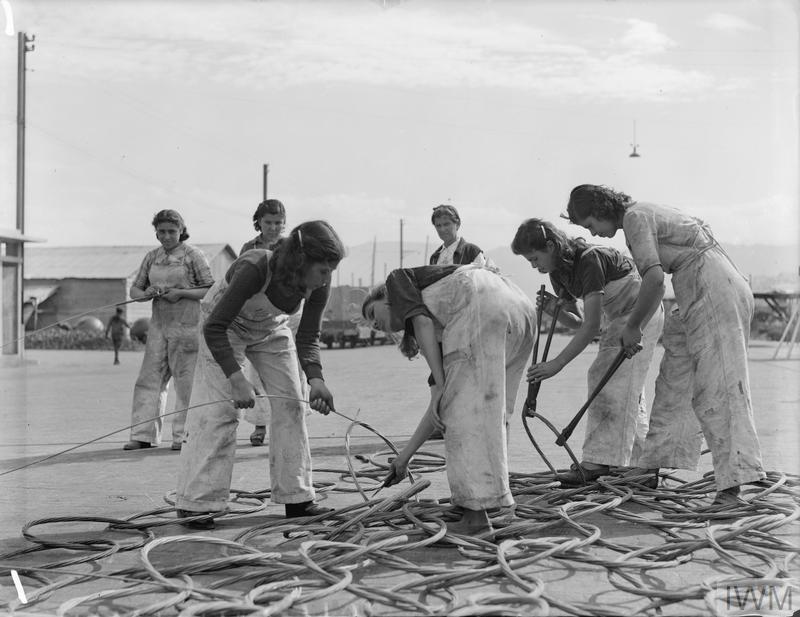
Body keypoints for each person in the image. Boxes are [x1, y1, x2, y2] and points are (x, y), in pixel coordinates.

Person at [565, 184, 765, 506]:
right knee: (674, 381)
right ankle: (649, 468)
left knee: (720, 387)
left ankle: (733, 486)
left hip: (714, 289)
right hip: (692, 287)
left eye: (590, 225)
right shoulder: (642, 212)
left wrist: (633, 326)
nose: (595, 234)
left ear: (600, 211)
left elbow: (654, 280)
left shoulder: (634, 217)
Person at [175, 220, 345, 529]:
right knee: (220, 412)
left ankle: (297, 497)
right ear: (302, 260)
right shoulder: (255, 267)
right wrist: (236, 378)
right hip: (224, 328)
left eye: (331, 270)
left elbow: (307, 337)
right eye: (323, 270)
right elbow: (215, 327)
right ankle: (197, 502)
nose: (327, 278)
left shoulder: (320, 282)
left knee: (293, 404)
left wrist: (316, 379)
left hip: (270, 329)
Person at [362, 263, 535, 535]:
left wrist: (443, 386)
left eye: (372, 312)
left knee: (464, 418)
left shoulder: (396, 281)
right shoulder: (443, 330)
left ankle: (475, 518)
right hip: (519, 309)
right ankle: (493, 503)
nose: (374, 324)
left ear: (386, 297)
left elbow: (421, 321)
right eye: (370, 324)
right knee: (491, 414)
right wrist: (403, 459)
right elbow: (438, 410)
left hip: (479, 300)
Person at [512, 218, 664, 487]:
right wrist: (554, 312)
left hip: (640, 315)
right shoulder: (558, 272)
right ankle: (642, 466)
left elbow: (593, 324)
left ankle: (597, 463)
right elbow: (583, 324)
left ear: (551, 246)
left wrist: (557, 364)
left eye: (535, 258)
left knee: (603, 379)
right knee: (628, 389)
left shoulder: (589, 260)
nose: (535, 267)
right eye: (530, 263)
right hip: (617, 318)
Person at [124, 210, 214, 452]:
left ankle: (183, 436)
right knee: (148, 379)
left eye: (171, 231)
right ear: (156, 232)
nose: (166, 236)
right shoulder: (152, 257)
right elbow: (134, 291)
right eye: (161, 231)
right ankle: (143, 435)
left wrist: (181, 293)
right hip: (158, 327)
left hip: (187, 327)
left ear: (181, 231)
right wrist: (146, 294)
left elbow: (207, 289)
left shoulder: (194, 255)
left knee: (185, 382)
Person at [239, 199, 290, 447]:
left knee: (288, 373)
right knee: (257, 373)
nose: (273, 227)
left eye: (278, 223)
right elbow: (241, 279)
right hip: (257, 312)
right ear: (258, 223)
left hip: (284, 313)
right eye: (268, 222)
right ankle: (260, 425)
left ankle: (286, 427)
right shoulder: (249, 247)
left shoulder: (290, 247)